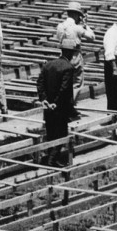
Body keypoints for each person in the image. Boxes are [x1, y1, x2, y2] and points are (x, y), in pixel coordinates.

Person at [37, 38, 78, 166]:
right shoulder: (68, 68)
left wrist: (44, 99)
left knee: (50, 132)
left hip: (48, 106)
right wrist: (56, 102)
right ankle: (52, 160)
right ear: (71, 54)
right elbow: (64, 89)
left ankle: (51, 156)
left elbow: (40, 83)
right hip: (60, 107)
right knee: (61, 133)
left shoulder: (48, 65)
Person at [54, 0, 94, 98]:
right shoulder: (77, 28)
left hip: (63, 56)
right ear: (77, 15)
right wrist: (86, 25)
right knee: (77, 84)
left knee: (64, 82)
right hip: (75, 57)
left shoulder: (60, 26)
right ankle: (71, 105)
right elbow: (92, 37)